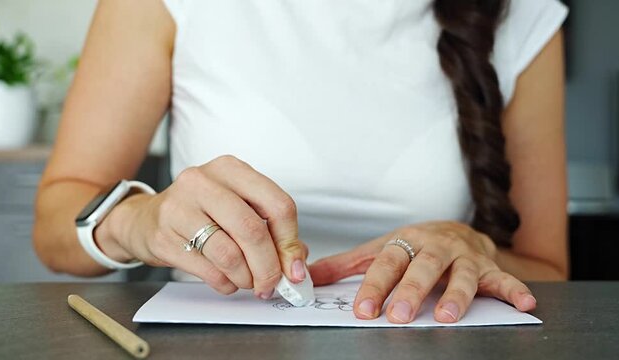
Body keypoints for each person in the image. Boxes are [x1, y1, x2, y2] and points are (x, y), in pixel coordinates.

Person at [34, 0, 569, 324]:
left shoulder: (525, 17)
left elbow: (549, 275)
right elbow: (54, 224)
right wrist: (135, 221)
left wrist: (474, 248)